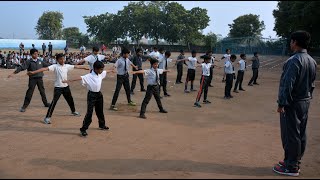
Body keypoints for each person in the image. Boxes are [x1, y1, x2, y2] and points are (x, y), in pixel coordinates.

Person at [272, 30, 317, 177]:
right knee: (300, 133)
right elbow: (312, 84)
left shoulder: (294, 60)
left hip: (292, 102)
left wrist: (282, 103)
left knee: (290, 134)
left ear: (295, 42)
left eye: (291, 41)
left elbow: (287, 84)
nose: (290, 43)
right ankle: (294, 161)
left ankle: (291, 167)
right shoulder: (311, 60)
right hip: (305, 101)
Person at [27, 53, 89, 124]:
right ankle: (47, 117)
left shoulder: (67, 66)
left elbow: (75, 66)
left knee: (70, 100)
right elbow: (44, 69)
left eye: (63, 58)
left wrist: (84, 68)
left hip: (66, 87)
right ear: (57, 60)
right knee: (54, 102)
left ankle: (73, 111)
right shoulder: (55, 66)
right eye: (60, 59)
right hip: (58, 88)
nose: (62, 60)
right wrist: (33, 72)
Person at [63, 61, 115, 137]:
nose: (101, 71)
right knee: (89, 113)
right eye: (100, 69)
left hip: (99, 95)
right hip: (92, 95)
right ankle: (83, 129)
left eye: (102, 69)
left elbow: (105, 71)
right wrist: (68, 80)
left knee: (100, 111)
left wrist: (111, 70)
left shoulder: (100, 73)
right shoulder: (89, 76)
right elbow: (79, 78)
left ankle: (102, 125)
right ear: (95, 69)